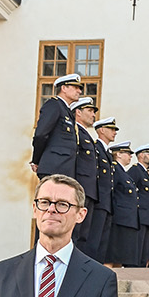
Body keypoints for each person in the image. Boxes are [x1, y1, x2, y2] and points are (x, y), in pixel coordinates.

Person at [30, 74, 82, 178]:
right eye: (75, 87)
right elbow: (41, 134)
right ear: (64, 88)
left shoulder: (66, 111)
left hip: (65, 169)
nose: (79, 91)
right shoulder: (54, 105)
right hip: (53, 167)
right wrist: (37, 160)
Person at [71, 99, 99, 256]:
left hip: (88, 189)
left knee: (84, 234)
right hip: (80, 186)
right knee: (75, 231)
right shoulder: (75, 132)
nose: (93, 115)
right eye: (90, 111)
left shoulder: (86, 135)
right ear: (78, 112)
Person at [107, 140, 141, 267]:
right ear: (119, 154)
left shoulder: (124, 173)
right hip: (119, 219)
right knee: (113, 256)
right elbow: (111, 192)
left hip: (126, 220)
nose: (131, 156)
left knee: (120, 257)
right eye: (127, 153)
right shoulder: (114, 169)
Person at [91, 116, 116, 264]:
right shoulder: (96, 148)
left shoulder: (107, 152)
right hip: (99, 200)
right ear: (101, 130)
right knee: (94, 240)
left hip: (107, 202)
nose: (114, 132)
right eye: (111, 129)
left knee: (102, 242)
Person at [133, 145, 149, 265]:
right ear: (141, 155)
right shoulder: (136, 170)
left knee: (144, 251)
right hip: (140, 216)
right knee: (137, 250)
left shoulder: (144, 173)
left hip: (146, 217)